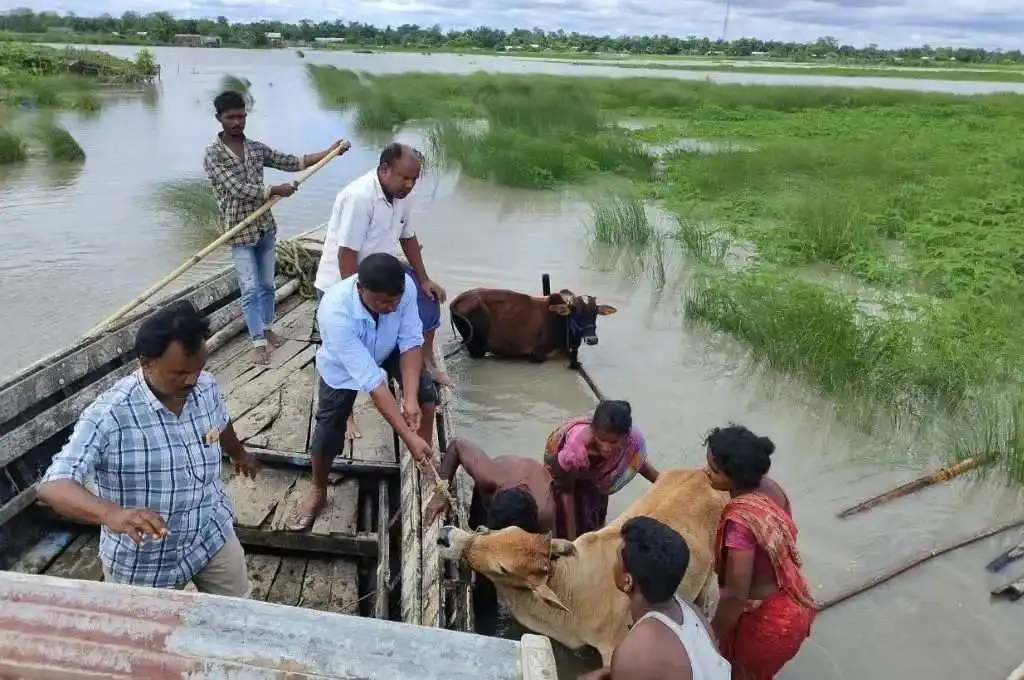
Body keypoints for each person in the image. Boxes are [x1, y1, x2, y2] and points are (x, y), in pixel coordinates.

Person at [36, 300, 259, 595]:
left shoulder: (205, 386)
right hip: (146, 561)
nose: (192, 380)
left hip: (210, 533)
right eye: (179, 373)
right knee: (146, 636)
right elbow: (53, 485)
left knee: (239, 613)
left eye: (198, 368)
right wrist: (111, 514)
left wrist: (238, 453)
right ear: (146, 363)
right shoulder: (109, 415)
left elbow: (220, 420)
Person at [312, 143, 449, 441]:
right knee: (345, 362)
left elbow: (408, 237)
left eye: (414, 179)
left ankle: (405, 400)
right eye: (404, 177)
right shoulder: (359, 197)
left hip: (383, 287)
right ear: (384, 169)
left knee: (394, 348)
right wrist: (359, 303)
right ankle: (345, 415)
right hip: (345, 288)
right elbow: (346, 256)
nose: (410, 185)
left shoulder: (401, 197)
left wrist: (424, 280)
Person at [292, 252, 438, 528]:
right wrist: (406, 435)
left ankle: (425, 461)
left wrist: (409, 400)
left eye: (395, 301)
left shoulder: (405, 289)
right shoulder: (335, 310)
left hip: (390, 345)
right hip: (343, 368)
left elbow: (410, 341)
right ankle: (318, 489)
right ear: (360, 288)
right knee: (328, 432)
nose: (390, 307)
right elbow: (373, 383)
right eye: (382, 301)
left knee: (426, 397)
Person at [204, 89, 342, 366]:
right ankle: (257, 341)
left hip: (264, 228)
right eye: (231, 117)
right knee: (249, 288)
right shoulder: (213, 155)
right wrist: (273, 190)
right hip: (240, 232)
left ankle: (267, 327)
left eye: (241, 116)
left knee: (267, 285)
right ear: (219, 118)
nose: (237, 122)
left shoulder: (255, 148)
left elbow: (292, 162)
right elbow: (237, 189)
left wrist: (330, 152)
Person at [704, 425, 816, 680]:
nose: (706, 472)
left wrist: (707, 635)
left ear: (732, 476)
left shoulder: (740, 523)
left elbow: (735, 595)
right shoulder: (771, 489)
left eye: (713, 469)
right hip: (794, 599)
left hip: (768, 624)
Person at [579, 516, 731, 680]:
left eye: (617, 558)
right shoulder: (690, 610)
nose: (613, 563)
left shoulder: (634, 652)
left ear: (627, 581)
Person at [545, 400, 659, 539]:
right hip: (568, 487)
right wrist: (573, 541)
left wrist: (671, 484)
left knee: (595, 528)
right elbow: (566, 493)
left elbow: (641, 465)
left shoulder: (630, 445)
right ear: (593, 431)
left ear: (625, 437)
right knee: (562, 532)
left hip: (596, 490)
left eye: (613, 442)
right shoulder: (575, 453)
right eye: (601, 440)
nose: (606, 448)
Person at [425, 437, 558, 535]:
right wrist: (441, 494)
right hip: (503, 477)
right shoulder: (488, 478)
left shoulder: (545, 516)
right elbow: (457, 444)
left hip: (532, 511)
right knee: (477, 528)